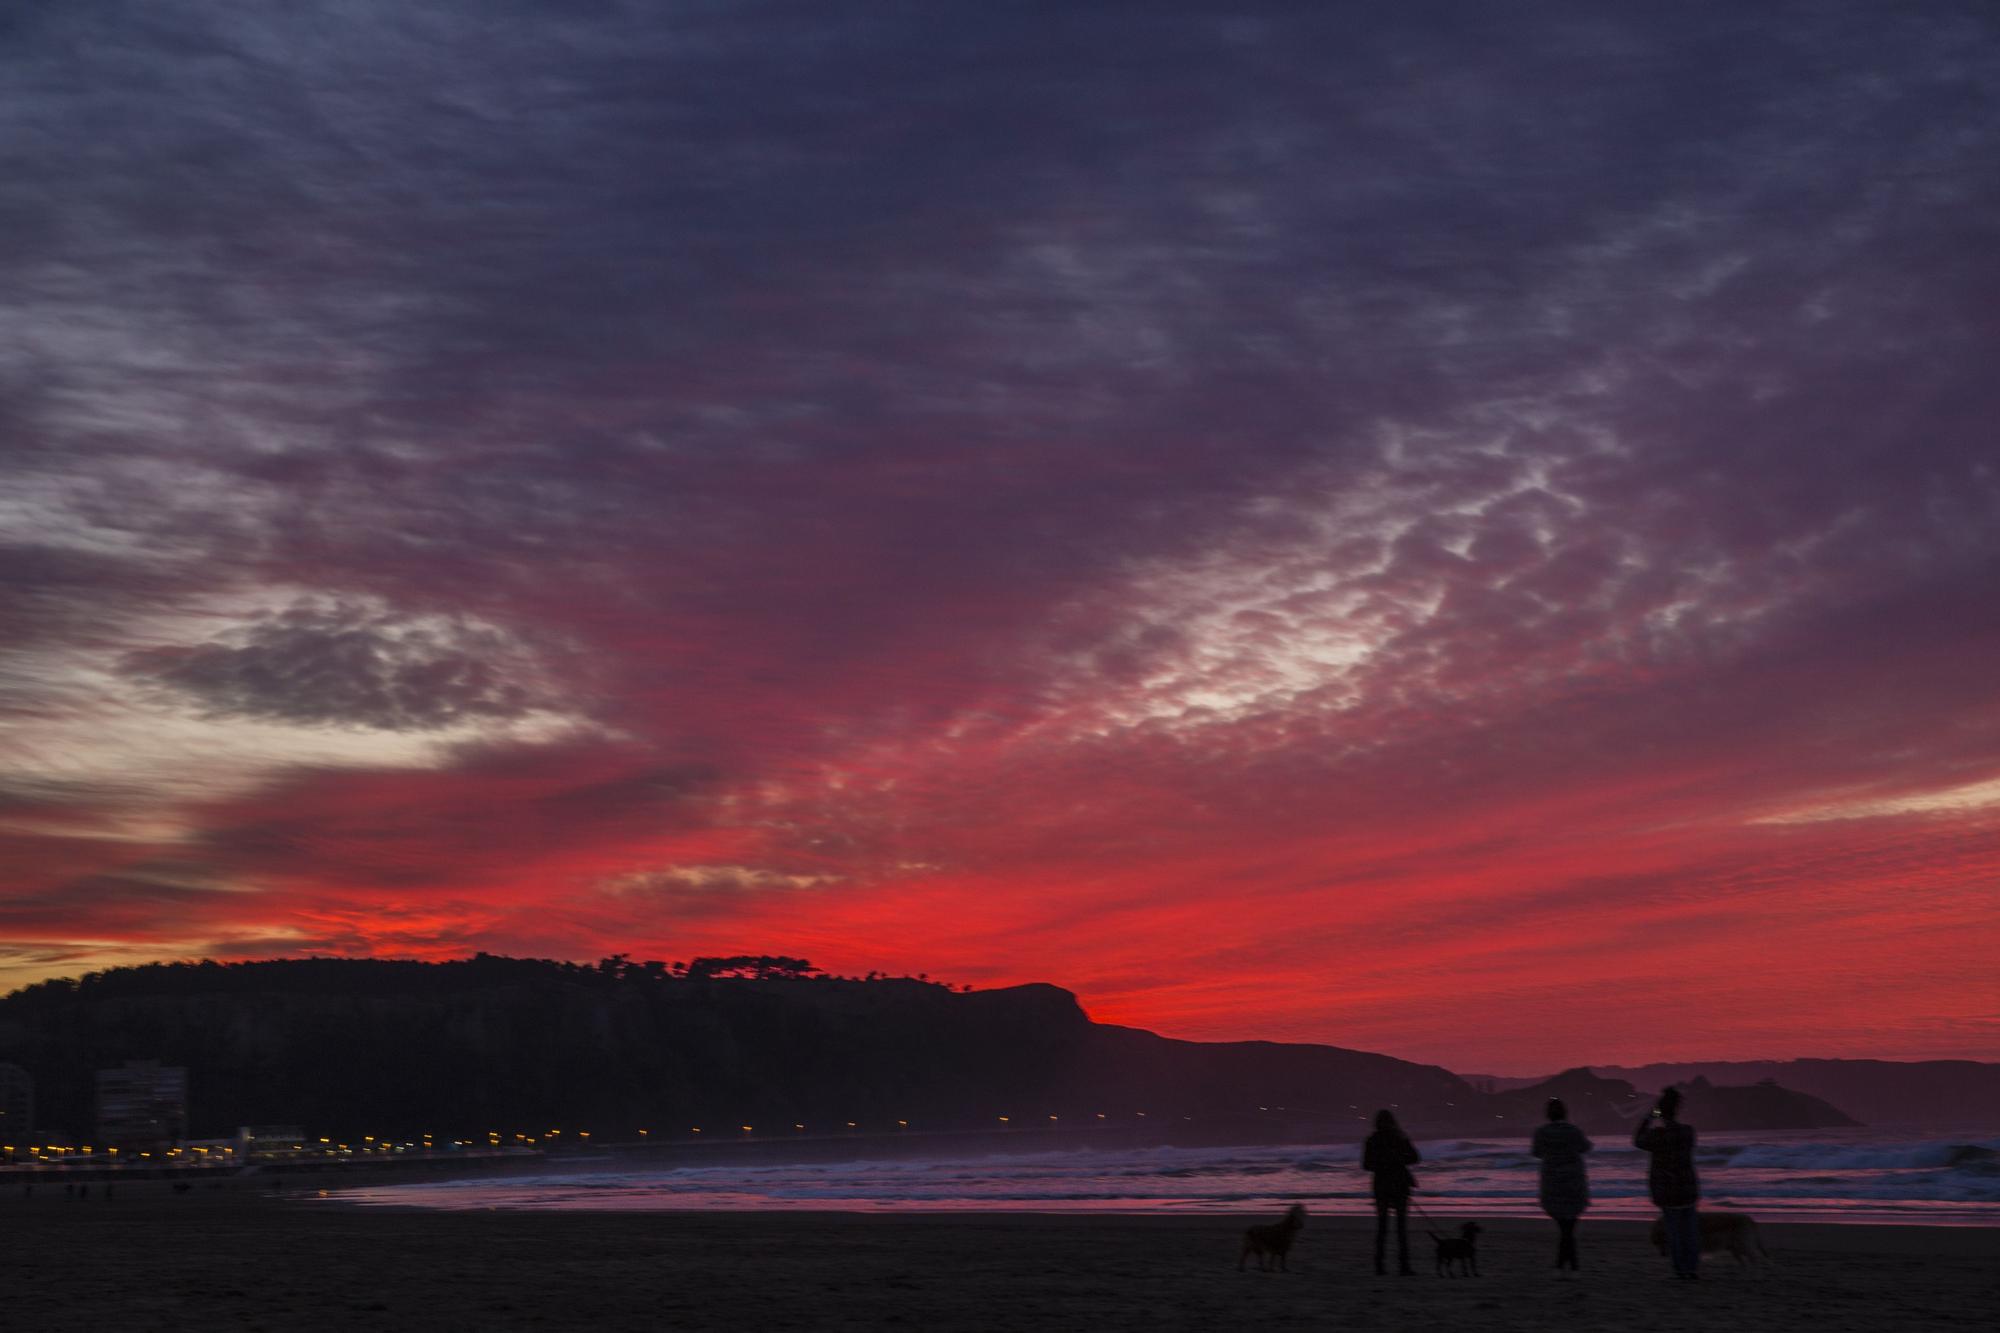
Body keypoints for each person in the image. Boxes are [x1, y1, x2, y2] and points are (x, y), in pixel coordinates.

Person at [1633, 1086, 1700, 1278]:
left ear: (1661, 1112)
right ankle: (1691, 1268)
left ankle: (1680, 1269)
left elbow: (1637, 1140)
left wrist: (1650, 1117)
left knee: (1674, 1232)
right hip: (1687, 1188)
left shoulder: (1658, 1136)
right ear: (1677, 1109)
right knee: (1690, 1231)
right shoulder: (1688, 1132)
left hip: (1667, 1191)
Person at [1531, 1097, 1592, 1272]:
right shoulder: (1574, 1130)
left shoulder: (1541, 1132)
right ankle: (1571, 1265)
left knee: (1564, 1227)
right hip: (1574, 1182)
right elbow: (1585, 1147)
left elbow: (1536, 1153)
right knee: (1569, 1226)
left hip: (1552, 1183)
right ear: (1565, 1113)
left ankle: (1565, 1265)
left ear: (1548, 1114)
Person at [1362, 1109, 1421, 1275]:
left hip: (1381, 1186)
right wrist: (1398, 1159)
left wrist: (1381, 1164)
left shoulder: (1372, 1140)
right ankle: (1404, 1267)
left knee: (1382, 1227)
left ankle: (1379, 1266)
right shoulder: (1400, 1137)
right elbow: (1415, 1158)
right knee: (1401, 1228)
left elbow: (1366, 1165)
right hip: (1400, 1185)